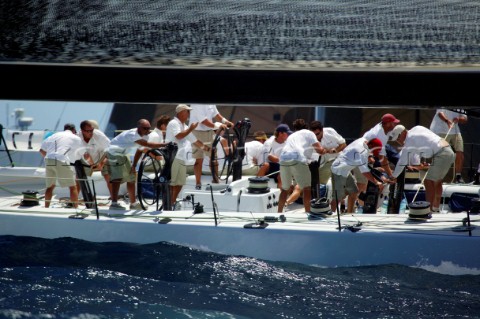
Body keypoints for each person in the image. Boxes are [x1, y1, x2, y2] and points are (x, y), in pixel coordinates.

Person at [389, 125, 455, 213]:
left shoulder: (409, 141)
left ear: (403, 133)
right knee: (437, 181)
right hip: (449, 151)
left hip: (442, 154)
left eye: (398, 138)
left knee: (428, 181)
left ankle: (428, 210)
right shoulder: (416, 128)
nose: (398, 141)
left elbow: (402, 163)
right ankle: (435, 208)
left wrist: (393, 177)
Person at [106, 119, 167, 210]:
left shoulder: (145, 135)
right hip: (114, 153)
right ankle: (114, 204)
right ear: (138, 128)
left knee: (131, 177)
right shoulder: (133, 134)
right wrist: (164, 144)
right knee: (117, 178)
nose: (147, 130)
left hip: (123, 154)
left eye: (149, 128)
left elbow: (140, 150)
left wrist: (134, 165)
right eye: (145, 128)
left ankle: (133, 204)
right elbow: (147, 144)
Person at [166, 104, 211, 207]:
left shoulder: (185, 126)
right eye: (187, 111)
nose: (189, 114)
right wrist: (190, 129)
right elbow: (179, 135)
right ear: (181, 112)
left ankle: (172, 203)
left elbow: (195, 141)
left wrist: (207, 149)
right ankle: (168, 203)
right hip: (172, 157)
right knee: (171, 183)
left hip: (181, 158)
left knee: (180, 183)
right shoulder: (174, 123)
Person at [277, 121, 326, 214]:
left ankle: (279, 213)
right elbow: (319, 149)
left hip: (283, 158)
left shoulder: (291, 136)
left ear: (295, 129)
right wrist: (325, 151)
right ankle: (308, 214)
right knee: (307, 188)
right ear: (306, 128)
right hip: (297, 158)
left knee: (285, 189)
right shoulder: (309, 133)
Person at [330, 138, 389, 214]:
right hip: (338, 171)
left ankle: (349, 213)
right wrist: (376, 182)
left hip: (346, 170)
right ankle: (330, 213)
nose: (373, 153)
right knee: (337, 196)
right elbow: (365, 172)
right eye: (373, 151)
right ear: (370, 145)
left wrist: (368, 156)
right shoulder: (361, 152)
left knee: (354, 191)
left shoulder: (363, 140)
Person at [39, 123, 85, 208]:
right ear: (74, 130)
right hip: (61, 160)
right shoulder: (76, 138)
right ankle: (76, 209)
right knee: (72, 187)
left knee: (50, 187)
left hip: (49, 159)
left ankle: (46, 208)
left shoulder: (54, 135)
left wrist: (52, 157)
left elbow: (41, 150)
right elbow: (82, 154)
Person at [189, 104, 234, 189]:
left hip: (209, 131)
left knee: (213, 156)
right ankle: (198, 183)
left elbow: (216, 114)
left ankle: (216, 180)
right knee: (199, 159)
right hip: (196, 132)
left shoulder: (211, 103)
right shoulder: (195, 104)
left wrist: (226, 121)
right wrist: (217, 126)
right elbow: (203, 120)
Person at [429, 108, 468, 183]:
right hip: (440, 130)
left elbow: (465, 119)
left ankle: (458, 176)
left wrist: (459, 119)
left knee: (460, 152)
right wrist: (447, 121)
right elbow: (440, 113)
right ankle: (436, 177)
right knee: (440, 154)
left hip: (455, 131)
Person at [77, 120, 112, 198]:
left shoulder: (99, 135)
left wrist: (102, 163)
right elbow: (86, 155)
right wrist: (93, 165)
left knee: (108, 174)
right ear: (82, 130)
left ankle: (114, 199)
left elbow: (110, 149)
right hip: (85, 160)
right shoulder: (77, 138)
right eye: (88, 131)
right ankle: (74, 200)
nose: (90, 133)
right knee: (79, 176)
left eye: (92, 130)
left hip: (101, 156)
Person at [257, 124, 292, 189]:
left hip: (279, 166)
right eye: (286, 133)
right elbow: (271, 158)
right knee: (266, 165)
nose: (288, 135)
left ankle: (281, 197)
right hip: (268, 166)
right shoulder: (269, 142)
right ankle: (257, 186)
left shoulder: (287, 143)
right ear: (280, 133)